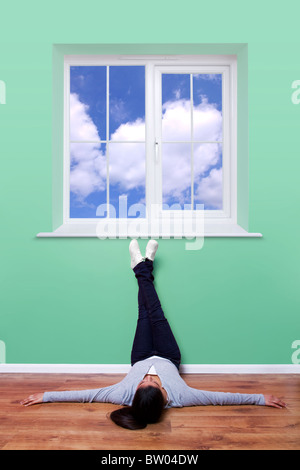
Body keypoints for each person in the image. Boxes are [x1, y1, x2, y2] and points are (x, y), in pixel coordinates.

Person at [20, 240, 287, 430]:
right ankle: (141, 266)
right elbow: (222, 398)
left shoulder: (121, 394)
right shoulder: (182, 397)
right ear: (164, 396)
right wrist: (259, 399)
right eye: (154, 383)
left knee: (143, 313)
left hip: (141, 354)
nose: (148, 377)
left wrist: (46, 395)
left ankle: (142, 267)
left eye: (141, 383)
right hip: (169, 355)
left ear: (134, 394)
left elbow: (84, 395)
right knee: (155, 312)